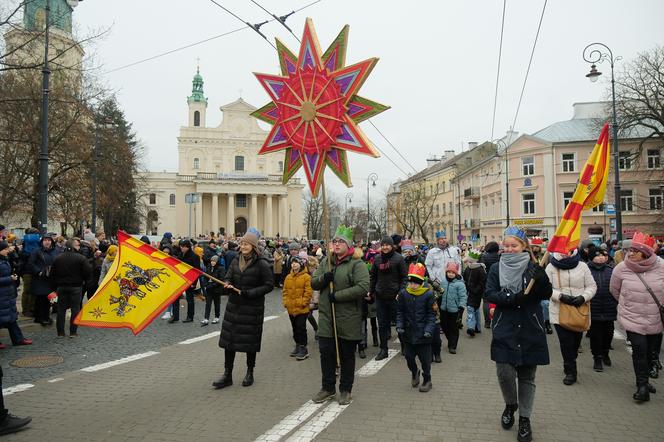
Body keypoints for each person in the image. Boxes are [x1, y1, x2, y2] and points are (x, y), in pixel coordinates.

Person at [485, 226, 552, 442]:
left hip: (530, 328)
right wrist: (512, 299)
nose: (509, 249)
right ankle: (510, 404)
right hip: (505, 327)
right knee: (504, 372)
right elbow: (489, 293)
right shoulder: (496, 267)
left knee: (527, 377)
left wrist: (541, 279)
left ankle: (524, 419)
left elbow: (546, 294)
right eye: (506, 245)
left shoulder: (534, 266)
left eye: (514, 245)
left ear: (524, 246)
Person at [311, 225, 369, 406]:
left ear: (348, 245)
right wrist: (324, 279)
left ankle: (345, 390)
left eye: (340, 241)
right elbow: (314, 282)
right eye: (334, 241)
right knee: (326, 353)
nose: (336, 244)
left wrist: (338, 296)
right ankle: (327, 388)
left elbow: (362, 287)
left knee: (346, 356)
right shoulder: (326, 262)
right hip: (327, 317)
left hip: (348, 317)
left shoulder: (356, 264)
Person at [213, 229, 273, 389]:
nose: (244, 246)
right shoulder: (235, 260)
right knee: (229, 342)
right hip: (234, 307)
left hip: (252, 308)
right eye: (242, 243)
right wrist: (227, 283)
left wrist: (250, 293)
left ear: (253, 246)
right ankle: (227, 375)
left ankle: (250, 372)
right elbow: (228, 275)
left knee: (250, 343)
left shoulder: (262, 263)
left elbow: (269, 285)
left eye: (247, 244)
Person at [610, 231, 664, 402]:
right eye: (629, 250)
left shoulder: (661, 266)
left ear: (646, 253)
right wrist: (629, 305)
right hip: (632, 318)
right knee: (639, 351)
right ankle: (642, 386)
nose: (629, 253)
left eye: (634, 250)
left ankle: (646, 381)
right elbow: (614, 290)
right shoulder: (621, 268)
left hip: (655, 318)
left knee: (650, 352)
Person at [545, 248, 596, 385]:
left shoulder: (582, 266)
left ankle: (571, 358)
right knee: (565, 341)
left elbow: (592, 286)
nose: (564, 253)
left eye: (568, 250)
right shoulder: (551, 266)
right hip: (559, 309)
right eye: (562, 250)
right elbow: (546, 288)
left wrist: (583, 297)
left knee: (575, 342)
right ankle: (570, 371)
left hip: (579, 309)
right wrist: (560, 296)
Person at [396, 263, 436, 392]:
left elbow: (431, 315)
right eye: (410, 283)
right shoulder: (404, 294)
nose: (412, 285)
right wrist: (400, 325)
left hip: (424, 334)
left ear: (420, 283)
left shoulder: (428, 294)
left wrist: (429, 330)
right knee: (409, 358)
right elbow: (400, 312)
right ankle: (414, 372)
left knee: (425, 361)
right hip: (408, 333)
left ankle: (427, 380)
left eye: (415, 283)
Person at [369, 236, 408, 361]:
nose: (385, 247)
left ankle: (404, 346)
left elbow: (405, 278)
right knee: (382, 324)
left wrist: (401, 292)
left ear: (392, 246)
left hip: (395, 297)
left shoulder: (399, 259)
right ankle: (383, 349)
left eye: (387, 245)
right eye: (383, 245)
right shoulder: (377, 259)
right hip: (380, 296)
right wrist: (371, 290)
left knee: (399, 323)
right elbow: (373, 277)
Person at [50, 238, 92, 338]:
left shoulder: (58, 258)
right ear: (73, 246)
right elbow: (87, 272)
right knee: (75, 309)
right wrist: (85, 283)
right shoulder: (81, 258)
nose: (79, 247)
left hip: (61, 287)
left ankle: (60, 333)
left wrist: (55, 286)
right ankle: (73, 332)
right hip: (76, 287)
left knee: (61, 310)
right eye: (78, 245)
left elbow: (52, 274)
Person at [587, 248, 617, 372]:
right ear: (591, 257)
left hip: (609, 308)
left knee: (609, 333)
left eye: (603, 255)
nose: (601, 257)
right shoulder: (586, 270)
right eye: (597, 255)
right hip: (594, 308)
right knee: (595, 335)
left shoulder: (611, 271)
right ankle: (597, 358)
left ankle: (605, 353)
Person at [0, 242, 32, 346]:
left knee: (11, 319)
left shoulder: (5, 259)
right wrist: (10, 278)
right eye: (5, 249)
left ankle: (18, 339)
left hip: (8, 294)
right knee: (4, 318)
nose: (8, 250)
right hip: (2, 295)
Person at [282, 256, 313, 360]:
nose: (294, 264)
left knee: (301, 328)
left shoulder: (306, 277)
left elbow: (308, 292)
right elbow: (285, 291)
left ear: (301, 264)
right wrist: (286, 302)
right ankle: (298, 345)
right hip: (291, 307)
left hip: (302, 308)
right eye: (292, 263)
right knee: (295, 328)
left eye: (296, 262)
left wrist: (303, 302)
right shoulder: (288, 277)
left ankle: (304, 349)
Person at [26, 235, 58, 326]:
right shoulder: (37, 251)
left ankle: (46, 316)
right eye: (45, 240)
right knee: (40, 299)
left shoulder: (55, 251)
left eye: (49, 240)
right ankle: (39, 318)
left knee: (49, 299)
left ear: (52, 241)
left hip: (50, 279)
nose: (47, 242)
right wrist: (38, 271)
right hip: (40, 278)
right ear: (42, 242)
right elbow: (31, 263)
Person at [438, 262, 467, 354]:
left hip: (454, 310)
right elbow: (440, 294)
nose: (450, 274)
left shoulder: (460, 284)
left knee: (453, 328)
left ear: (456, 273)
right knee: (444, 326)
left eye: (453, 272)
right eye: (449, 272)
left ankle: (452, 346)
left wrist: (461, 307)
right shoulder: (443, 282)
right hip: (443, 309)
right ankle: (450, 339)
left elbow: (463, 296)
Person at [169, 239, 200, 323]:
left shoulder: (194, 256)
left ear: (187, 247)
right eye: (181, 246)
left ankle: (190, 317)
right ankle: (175, 316)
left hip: (190, 280)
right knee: (175, 298)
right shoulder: (180, 255)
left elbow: (197, 271)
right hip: (180, 279)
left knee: (190, 299)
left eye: (183, 247)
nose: (181, 248)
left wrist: (194, 283)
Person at [463, 249, 486, 337]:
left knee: (471, 308)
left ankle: (471, 327)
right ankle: (477, 327)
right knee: (473, 309)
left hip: (476, 293)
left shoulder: (480, 269)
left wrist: (476, 290)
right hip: (469, 292)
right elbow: (465, 278)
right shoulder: (468, 268)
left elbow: (483, 281)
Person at [480, 241, 501, 328]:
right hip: (499, 279)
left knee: (486, 301)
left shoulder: (483, 257)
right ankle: (497, 319)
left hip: (486, 280)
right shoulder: (500, 257)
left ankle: (487, 322)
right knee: (499, 300)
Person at [202, 255, 225, 326]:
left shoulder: (221, 268)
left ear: (217, 261)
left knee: (217, 304)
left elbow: (221, 279)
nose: (212, 262)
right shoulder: (208, 267)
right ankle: (206, 318)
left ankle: (217, 317)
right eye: (212, 261)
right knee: (208, 304)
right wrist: (206, 284)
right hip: (209, 289)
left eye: (214, 261)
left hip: (217, 289)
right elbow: (205, 277)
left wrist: (212, 285)